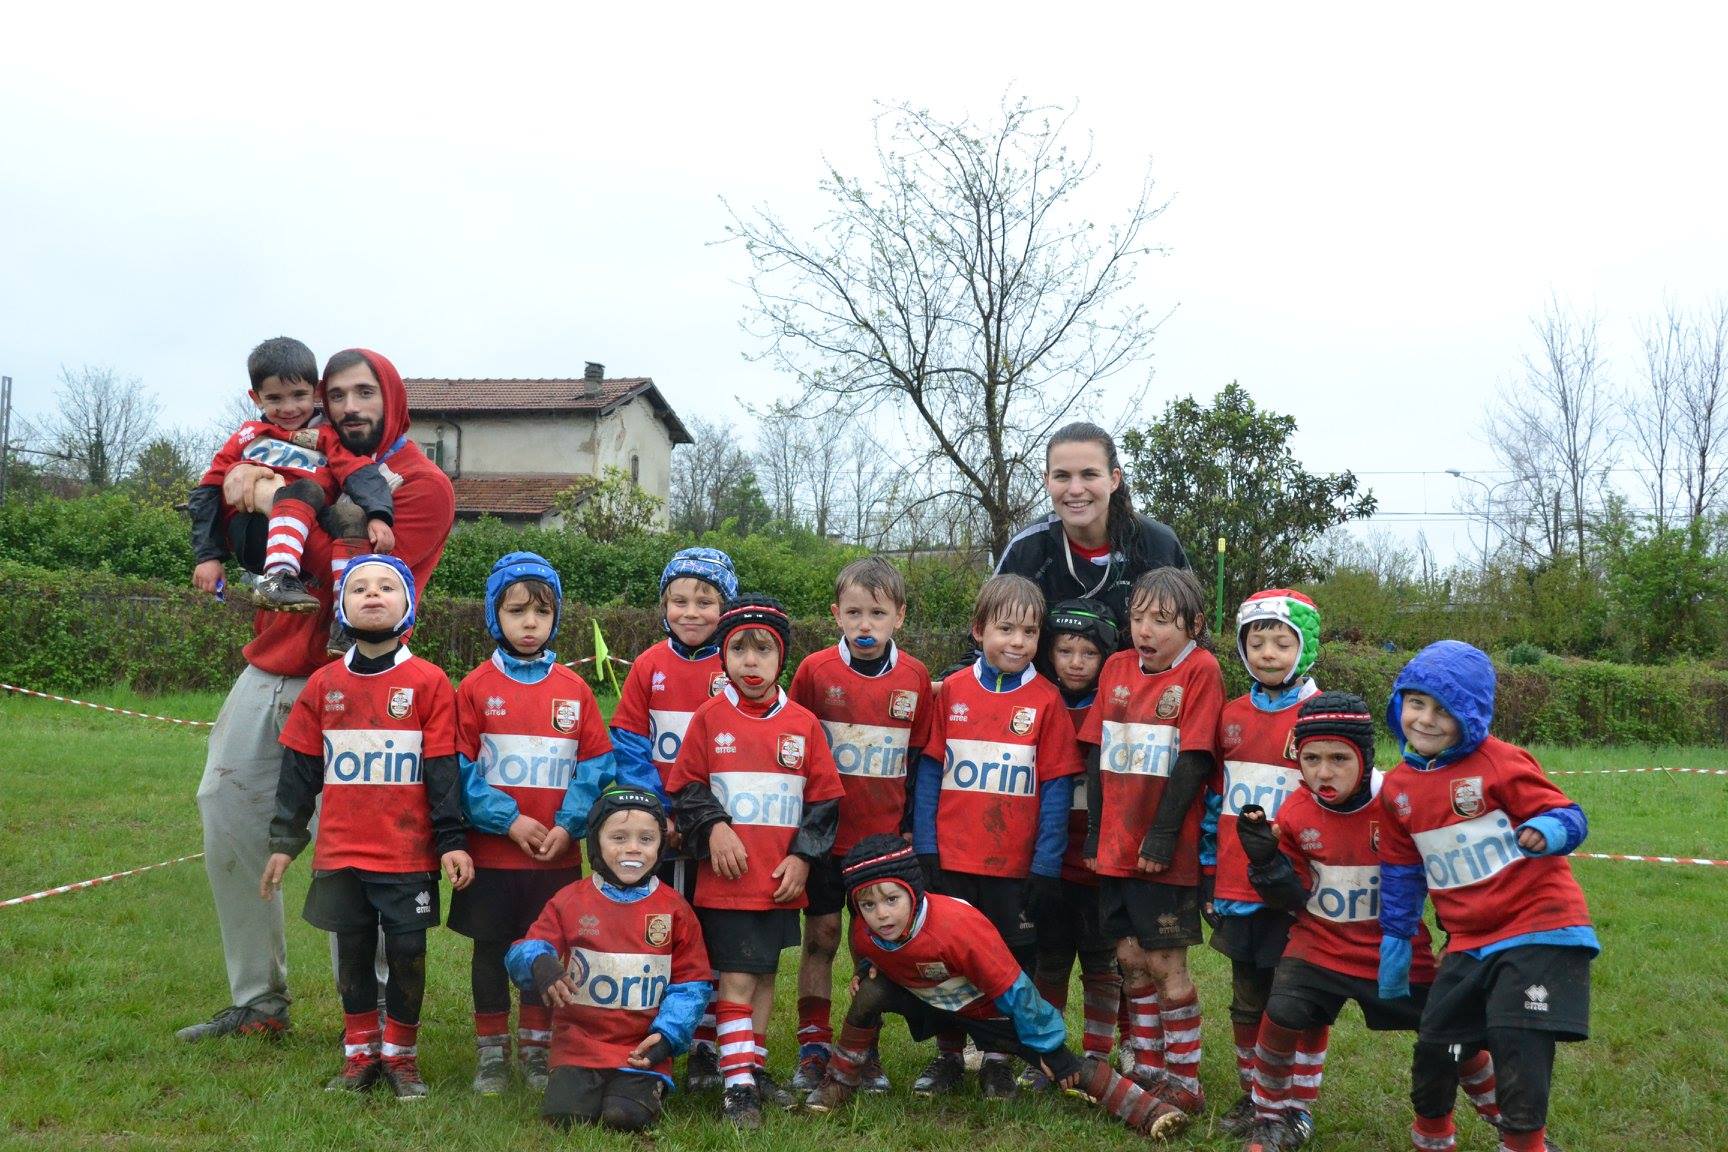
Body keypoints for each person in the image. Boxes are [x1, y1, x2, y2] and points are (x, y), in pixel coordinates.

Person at [181, 347, 455, 1042]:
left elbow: (361, 577)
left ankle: (378, 1020)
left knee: (365, 845)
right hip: (271, 666)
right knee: (224, 805)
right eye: (338, 396)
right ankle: (258, 1002)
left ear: (392, 399)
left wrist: (274, 498)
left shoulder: (421, 486)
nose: (350, 407)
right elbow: (253, 551)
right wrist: (262, 513)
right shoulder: (297, 450)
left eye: (365, 393)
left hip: (367, 678)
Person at [1232, 692, 1503, 1152]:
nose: (1323, 771)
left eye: (1340, 757)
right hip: (1319, 945)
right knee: (1282, 1014)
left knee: (1455, 1032)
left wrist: (1458, 935)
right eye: (1311, 758)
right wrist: (1265, 864)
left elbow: (1444, 870)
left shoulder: (1400, 800)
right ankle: (1273, 1118)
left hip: (1393, 950)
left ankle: (1511, 1124)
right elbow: (1292, 897)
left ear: (1365, 755)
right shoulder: (1296, 811)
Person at [802, 835, 1193, 1140]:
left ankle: (1151, 1112)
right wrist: (870, 966)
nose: (881, 914)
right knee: (868, 993)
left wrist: (1049, 1047)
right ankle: (839, 1079)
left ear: (914, 892)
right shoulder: (865, 931)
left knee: (1063, 1067)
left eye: (891, 899)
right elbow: (879, 952)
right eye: (868, 905)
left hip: (985, 1006)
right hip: (928, 995)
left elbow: (1016, 990)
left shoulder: (958, 929)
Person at [259, 554, 472, 1099]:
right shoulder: (323, 685)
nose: (372, 594)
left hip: (407, 856)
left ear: (408, 606)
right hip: (341, 855)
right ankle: (359, 1056)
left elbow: (443, 771)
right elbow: (300, 772)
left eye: (386, 586)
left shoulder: (429, 683)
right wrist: (285, 842)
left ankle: (401, 1058)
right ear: (342, 607)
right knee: (352, 953)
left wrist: (451, 841)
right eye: (358, 588)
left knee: (406, 954)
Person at [1377, 642, 1596, 1152]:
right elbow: (1402, 870)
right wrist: (1396, 939)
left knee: (1517, 1042)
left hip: (1539, 927)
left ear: (1470, 715)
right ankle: (1433, 1139)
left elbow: (1570, 813)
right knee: (1436, 1046)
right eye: (1415, 703)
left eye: (1444, 709)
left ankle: (1524, 1144)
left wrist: (1550, 828)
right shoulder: (1398, 789)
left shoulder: (1500, 762)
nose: (1426, 719)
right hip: (1468, 940)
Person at [666, 595, 845, 1129]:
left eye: (762, 650)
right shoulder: (708, 719)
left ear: (780, 658)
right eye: (738, 649)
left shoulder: (804, 724)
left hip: (779, 881)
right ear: (722, 657)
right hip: (728, 884)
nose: (750, 661)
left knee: (764, 977)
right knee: (738, 981)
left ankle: (750, 1065)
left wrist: (804, 859)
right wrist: (716, 827)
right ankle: (737, 1086)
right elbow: (686, 790)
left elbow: (824, 802)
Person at [909, 573, 1082, 1099]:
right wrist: (925, 848)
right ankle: (947, 1055)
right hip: (953, 861)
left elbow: (1054, 789)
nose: (1017, 642)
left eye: (1029, 632)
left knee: (1010, 963)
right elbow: (930, 774)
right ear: (978, 629)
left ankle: (997, 1059)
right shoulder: (952, 692)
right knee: (945, 958)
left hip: (1013, 868)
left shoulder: (1048, 700)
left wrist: (1046, 865)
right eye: (1005, 628)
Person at [453, 552, 618, 1095]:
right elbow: (458, 769)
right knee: (490, 949)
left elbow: (595, 768)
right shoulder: (474, 688)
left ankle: (537, 1049)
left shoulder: (574, 691)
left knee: (546, 951)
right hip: (494, 855)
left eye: (541, 613)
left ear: (556, 619)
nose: (529, 623)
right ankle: (492, 1053)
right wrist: (509, 821)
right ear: (492, 616)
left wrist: (570, 826)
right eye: (516, 611)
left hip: (556, 855)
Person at [1078, 567, 1224, 1125]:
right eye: (1138, 617)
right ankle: (1147, 1066)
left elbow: (1193, 760)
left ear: (1192, 625)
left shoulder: (1201, 671)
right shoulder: (1115, 667)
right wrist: (1093, 832)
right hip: (1114, 845)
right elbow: (1095, 750)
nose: (1146, 630)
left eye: (1162, 620)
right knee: (1130, 959)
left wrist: (1162, 834)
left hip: (1164, 848)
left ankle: (1185, 1080)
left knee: (1166, 963)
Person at [786, 556, 933, 1095]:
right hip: (825, 836)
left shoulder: (916, 678)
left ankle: (861, 1049)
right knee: (821, 937)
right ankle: (812, 1047)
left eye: (877, 612)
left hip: (883, 843)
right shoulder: (814, 671)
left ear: (899, 616)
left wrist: (913, 828)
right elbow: (792, 746)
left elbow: (919, 760)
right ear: (836, 616)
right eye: (854, 612)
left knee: (874, 947)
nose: (865, 624)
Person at [505, 787, 713, 1132]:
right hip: (578, 1046)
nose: (633, 848)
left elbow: (692, 984)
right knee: (566, 1118)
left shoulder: (675, 908)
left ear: (660, 846)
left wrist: (667, 1038)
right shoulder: (570, 900)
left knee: (623, 1118)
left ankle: (648, 1086)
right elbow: (523, 950)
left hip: (640, 1050)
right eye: (619, 837)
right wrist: (540, 963)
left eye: (646, 839)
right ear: (596, 844)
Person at [607, 545, 738, 1084]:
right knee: (657, 930)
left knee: (708, 933)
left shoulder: (737, 664)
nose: (691, 611)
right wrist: (658, 813)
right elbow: (631, 744)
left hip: (716, 824)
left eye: (705, 601)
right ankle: (648, 1033)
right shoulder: (648, 665)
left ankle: (707, 1042)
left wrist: (705, 817)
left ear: (725, 606)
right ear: (664, 605)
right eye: (679, 600)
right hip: (660, 826)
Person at [1202, 590, 1326, 1135]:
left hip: (1298, 892)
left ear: (1306, 648)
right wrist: (1210, 869)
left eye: (1282, 642)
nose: (1268, 653)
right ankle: (1256, 1097)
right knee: (1247, 999)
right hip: (1237, 886)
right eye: (1257, 642)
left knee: (1295, 1003)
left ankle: (1296, 1106)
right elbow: (1214, 802)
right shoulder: (1229, 715)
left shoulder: (1321, 718)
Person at [188, 336, 395, 612]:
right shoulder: (248, 436)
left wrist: (379, 514)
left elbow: (357, 471)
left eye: (298, 395)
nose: (288, 408)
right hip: (256, 531)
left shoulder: (327, 437)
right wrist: (208, 556)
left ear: (316, 392)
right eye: (274, 398)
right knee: (305, 489)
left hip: (312, 523)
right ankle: (278, 578)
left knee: (350, 516)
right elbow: (206, 493)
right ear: (256, 397)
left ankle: (344, 612)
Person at [1027, 597, 1126, 1082]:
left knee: (1102, 959)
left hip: (1099, 857)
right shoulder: (1037, 700)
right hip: (1047, 854)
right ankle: (1049, 1053)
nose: (1076, 663)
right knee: (1050, 958)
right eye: (1066, 651)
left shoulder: (1117, 706)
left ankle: (1098, 1056)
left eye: (1088, 653)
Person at [994, 422, 1188, 644]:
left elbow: (1192, 640)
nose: (1075, 489)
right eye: (1062, 476)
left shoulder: (1158, 544)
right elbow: (986, 639)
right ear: (1047, 480)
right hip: (1042, 680)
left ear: (1114, 479)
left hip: (1141, 679)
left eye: (1089, 474)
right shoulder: (1025, 549)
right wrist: (951, 679)